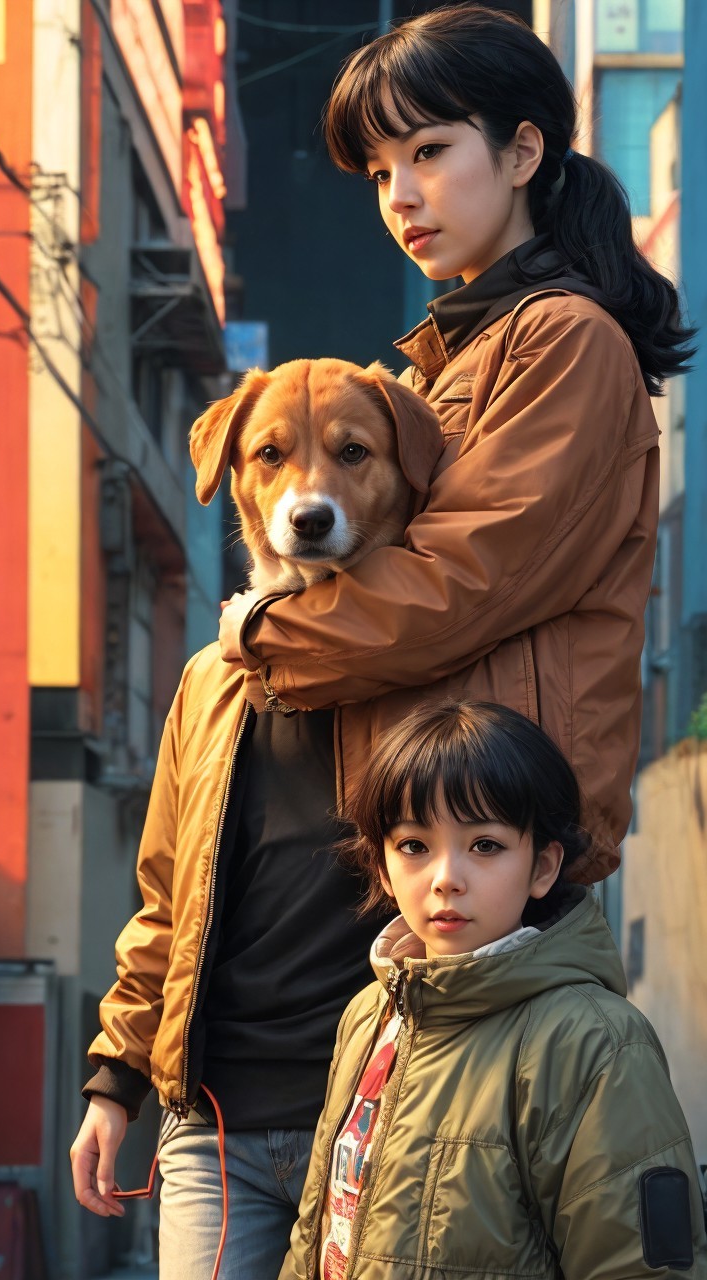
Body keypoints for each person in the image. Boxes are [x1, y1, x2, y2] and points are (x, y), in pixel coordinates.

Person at [73, 4, 695, 1276]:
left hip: (470, 928)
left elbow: (459, 583)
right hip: (277, 1048)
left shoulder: (563, 343)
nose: (400, 194)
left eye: (428, 151)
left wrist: (262, 632)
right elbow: (177, 885)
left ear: (522, 151)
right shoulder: (432, 369)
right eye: (377, 169)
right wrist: (123, 1065)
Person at [279, 698, 707, 1280]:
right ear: (381, 866)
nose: (446, 878)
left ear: (543, 867)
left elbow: (638, 1265)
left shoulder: (594, 1041)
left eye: (485, 845)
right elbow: (318, 1229)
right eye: (414, 846)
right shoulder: (369, 1012)